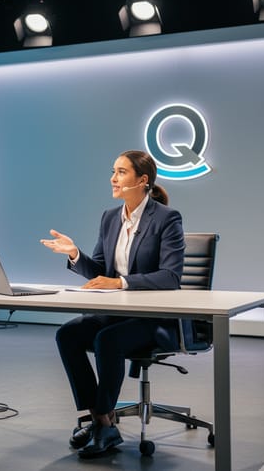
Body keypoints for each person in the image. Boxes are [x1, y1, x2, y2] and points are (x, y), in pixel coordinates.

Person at [39, 150, 185, 458]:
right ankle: (101, 420)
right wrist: (75, 254)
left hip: (154, 321)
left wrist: (121, 282)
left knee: (107, 340)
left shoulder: (167, 219)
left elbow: (170, 276)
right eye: (113, 171)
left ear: (142, 180)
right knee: (68, 334)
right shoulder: (110, 218)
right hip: (117, 313)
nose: (113, 178)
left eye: (121, 172)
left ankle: (101, 424)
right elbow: (101, 271)